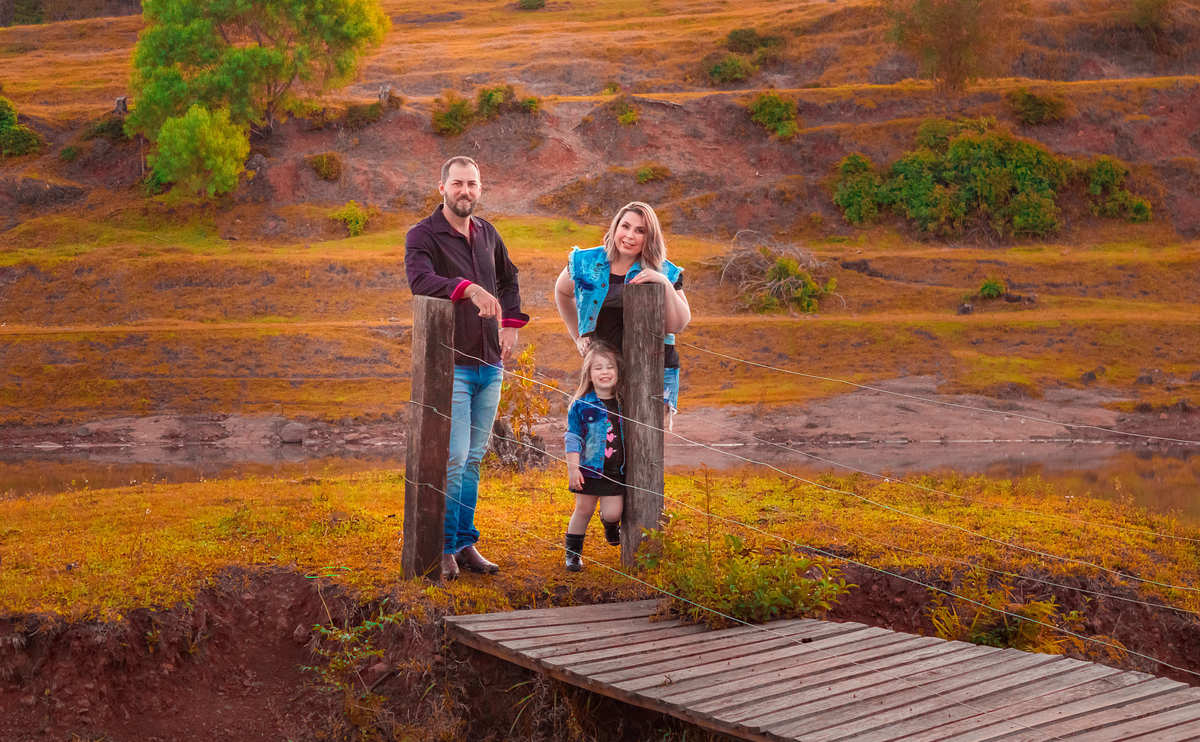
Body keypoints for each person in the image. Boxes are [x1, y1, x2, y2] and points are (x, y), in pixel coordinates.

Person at [405, 156, 528, 581]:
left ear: (480, 188)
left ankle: (463, 542)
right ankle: (441, 548)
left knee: (474, 458)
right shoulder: (423, 235)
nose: (465, 191)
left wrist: (510, 324)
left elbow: (509, 279)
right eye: (457, 183)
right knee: (454, 458)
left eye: (472, 184)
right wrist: (469, 288)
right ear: (442, 187)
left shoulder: (488, 233)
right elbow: (420, 281)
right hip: (451, 365)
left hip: (490, 364)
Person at [553, 201, 690, 428]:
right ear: (615, 227)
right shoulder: (587, 262)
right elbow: (562, 292)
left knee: (646, 439)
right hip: (605, 363)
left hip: (651, 365)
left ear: (650, 237)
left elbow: (679, 323)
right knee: (602, 435)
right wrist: (578, 335)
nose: (630, 236)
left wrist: (664, 283)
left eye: (640, 230)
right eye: (625, 226)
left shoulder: (664, 270)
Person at [563, 342, 626, 571]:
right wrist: (573, 469)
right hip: (589, 470)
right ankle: (573, 554)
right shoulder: (581, 405)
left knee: (613, 513)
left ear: (618, 371)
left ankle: (609, 524)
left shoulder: (626, 403)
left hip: (615, 471)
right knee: (583, 510)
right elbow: (573, 438)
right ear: (589, 374)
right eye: (598, 368)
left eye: (610, 367)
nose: (605, 372)